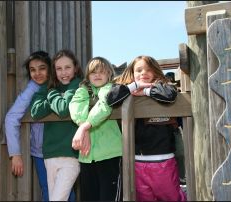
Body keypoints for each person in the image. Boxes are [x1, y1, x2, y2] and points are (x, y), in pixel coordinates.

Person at [106, 55, 186, 201]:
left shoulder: (163, 86)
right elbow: (110, 99)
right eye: (139, 70)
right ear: (132, 73)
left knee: (172, 197)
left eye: (148, 69)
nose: (143, 73)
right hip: (137, 162)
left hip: (164, 161)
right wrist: (135, 86)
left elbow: (169, 95)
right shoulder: (126, 90)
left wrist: (146, 92)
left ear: (155, 72)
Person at [30, 49, 83, 201]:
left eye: (67, 67)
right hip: (49, 154)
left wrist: (52, 93)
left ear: (75, 68)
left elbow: (63, 109)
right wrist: (55, 96)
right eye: (59, 68)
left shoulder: (76, 84)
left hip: (70, 154)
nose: (63, 72)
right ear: (54, 70)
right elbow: (35, 111)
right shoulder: (46, 86)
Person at [69, 57, 123, 201]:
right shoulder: (83, 90)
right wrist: (82, 126)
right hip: (87, 157)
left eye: (102, 72)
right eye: (93, 72)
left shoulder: (111, 88)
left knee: (109, 197)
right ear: (88, 76)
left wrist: (86, 126)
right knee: (89, 197)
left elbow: (105, 104)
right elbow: (75, 105)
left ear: (109, 75)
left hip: (110, 153)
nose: (97, 75)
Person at [5, 51, 51, 201]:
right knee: (48, 190)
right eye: (32, 70)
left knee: (67, 191)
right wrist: (15, 153)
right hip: (41, 152)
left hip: (63, 148)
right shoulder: (32, 89)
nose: (37, 73)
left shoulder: (59, 84)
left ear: (50, 69)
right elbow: (11, 117)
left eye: (42, 68)